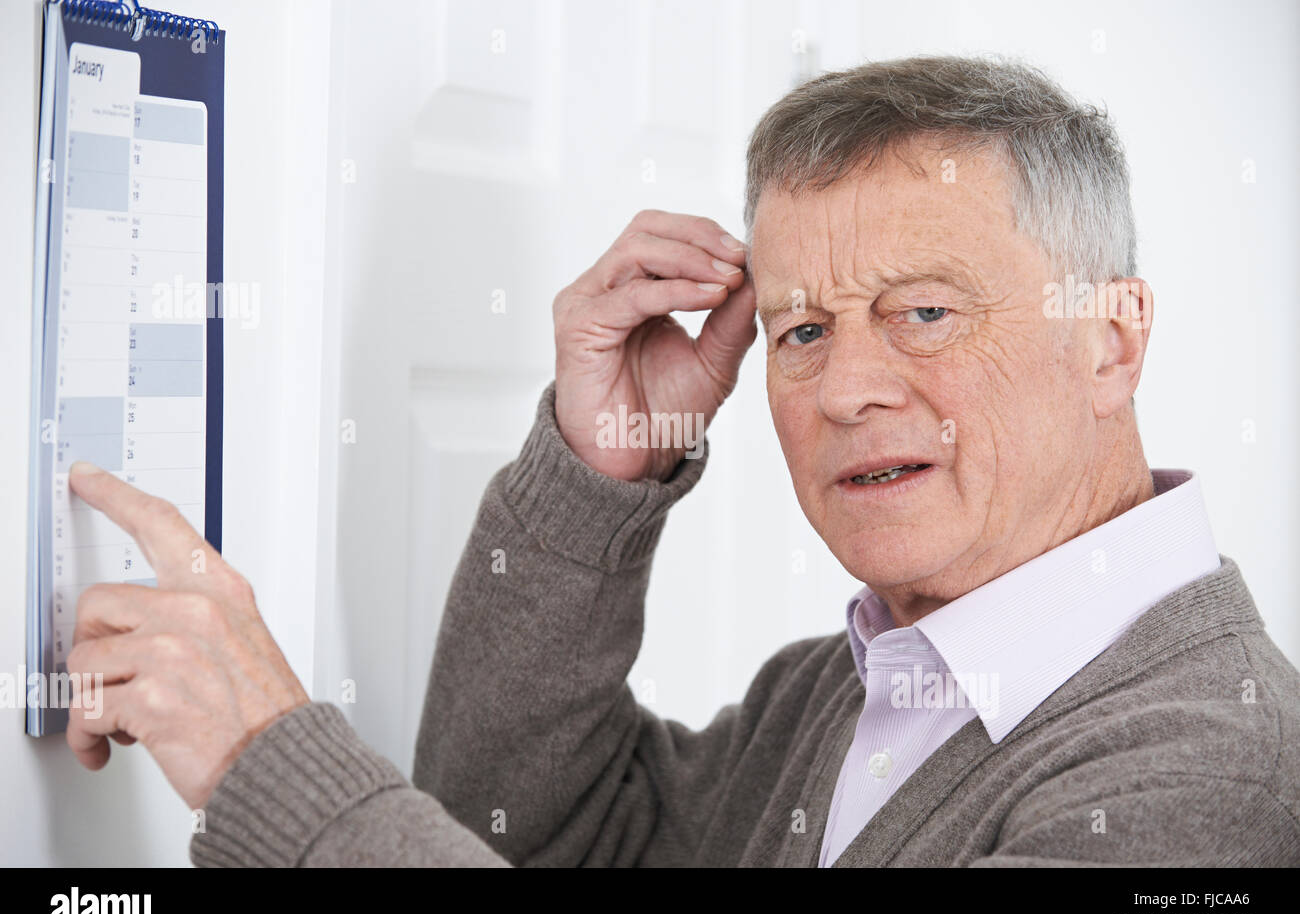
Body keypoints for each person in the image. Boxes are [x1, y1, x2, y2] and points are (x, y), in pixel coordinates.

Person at [65, 55, 1300, 866]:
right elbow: (532, 834)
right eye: (801, 329)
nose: (848, 385)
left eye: (926, 310)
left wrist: (269, 764)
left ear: (1112, 338)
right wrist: (600, 477)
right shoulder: (840, 692)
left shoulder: (1212, 774)